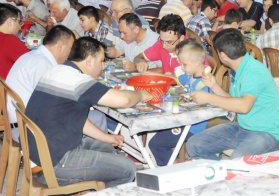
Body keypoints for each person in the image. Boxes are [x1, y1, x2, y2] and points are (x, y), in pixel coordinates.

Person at [25, 37, 152, 187]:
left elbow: (74, 118)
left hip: (40, 153)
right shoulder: (77, 81)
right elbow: (123, 100)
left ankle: (99, 190)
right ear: (90, 60)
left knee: (106, 148)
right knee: (128, 170)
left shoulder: (57, 70)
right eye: (101, 61)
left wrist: (106, 137)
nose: (103, 66)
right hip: (54, 164)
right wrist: (141, 94)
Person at [186, 29, 279, 159]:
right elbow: (235, 101)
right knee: (194, 145)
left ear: (223, 55)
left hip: (266, 133)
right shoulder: (238, 69)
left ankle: (230, 174)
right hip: (242, 127)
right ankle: (219, 173)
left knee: (237, 162)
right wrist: (214, 86)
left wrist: (209, 98)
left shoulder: (253, 71)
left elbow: (243, 107)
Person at [6, 26, 76, 140]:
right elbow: (54, 105)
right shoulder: (43, 65)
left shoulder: (33, 56)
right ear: (60, 46)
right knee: (90, 117)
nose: (70, 54)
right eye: (70, 48)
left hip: (17, 120)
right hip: (26, 129)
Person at [149, 40, 212, 166]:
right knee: (156, 131)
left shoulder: (204, 83)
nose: (181, 68)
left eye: (184, 65)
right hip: (182, 119)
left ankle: (176, 167)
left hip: (193, 125)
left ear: (197, 62)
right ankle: (175, 163)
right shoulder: (191, 75)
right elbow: (175, 81)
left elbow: (197, 106)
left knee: (155, 144)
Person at [0, 4, 29, 78]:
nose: (19, 27)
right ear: (10, 22)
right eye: (18, 21)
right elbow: (31, 64)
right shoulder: (9, 40)